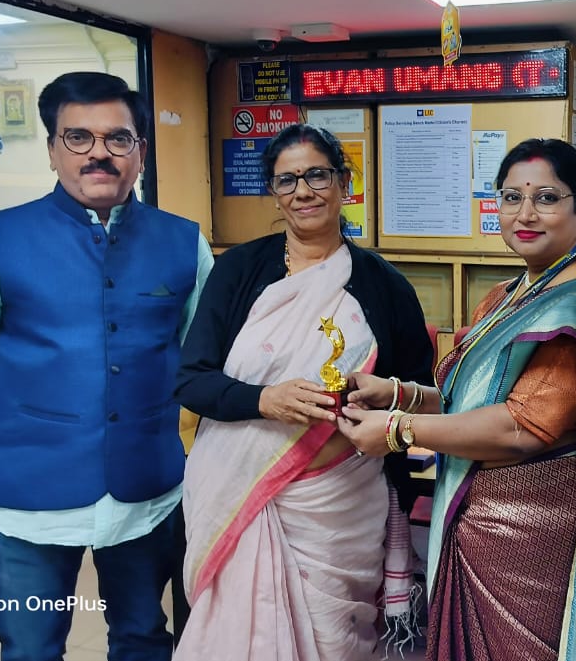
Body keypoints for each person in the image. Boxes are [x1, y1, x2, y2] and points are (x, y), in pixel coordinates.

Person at [336, 138, 576, 661]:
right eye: (511, 197)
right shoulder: (509, 292)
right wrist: (397, 393)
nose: (525, 213)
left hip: (535, 543)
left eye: (546, 198)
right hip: (476, 524)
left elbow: (523, 427)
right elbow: (467, 400)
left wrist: (398, 431)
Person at [0, 71, 214, 661]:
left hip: (148, 492)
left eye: (118, 138)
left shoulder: (184, 242)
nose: (99, 153)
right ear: (51, 150)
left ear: (140, 152)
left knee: (143, 638)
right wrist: (31, 431)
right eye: (78, 137)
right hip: (28, 498)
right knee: (31, 647)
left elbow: (198, 354)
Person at [173, 123, 435, 661]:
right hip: (241, 493)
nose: (303, 191)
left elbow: (421, 393)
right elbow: (192, 379)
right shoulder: (239, 271)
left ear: (343, 183)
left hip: (343, 508)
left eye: (317, 175)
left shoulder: (385, 286)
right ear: (273, 190)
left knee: (336, 642)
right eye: (287, 179)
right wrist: (263, 399)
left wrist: (381, 399)